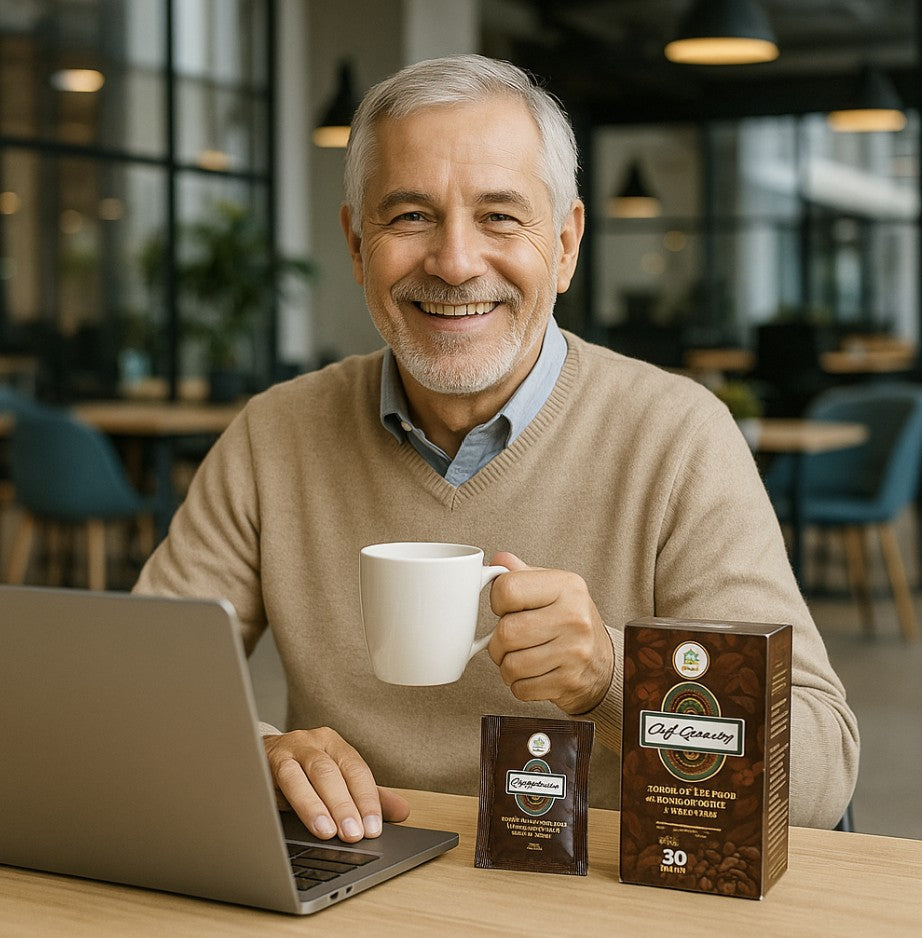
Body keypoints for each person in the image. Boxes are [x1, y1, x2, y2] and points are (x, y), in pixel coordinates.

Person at [134, 54, 858, 842]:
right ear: (354, 244)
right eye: (409, 215)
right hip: (352, 886)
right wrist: (259, 751)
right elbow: (128, 692)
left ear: (567, 242)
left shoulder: (678, 437)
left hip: (598, 906)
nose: (453, 261)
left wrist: (615, 680)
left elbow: (816, 772)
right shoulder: (274, 435)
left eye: (500, 216)